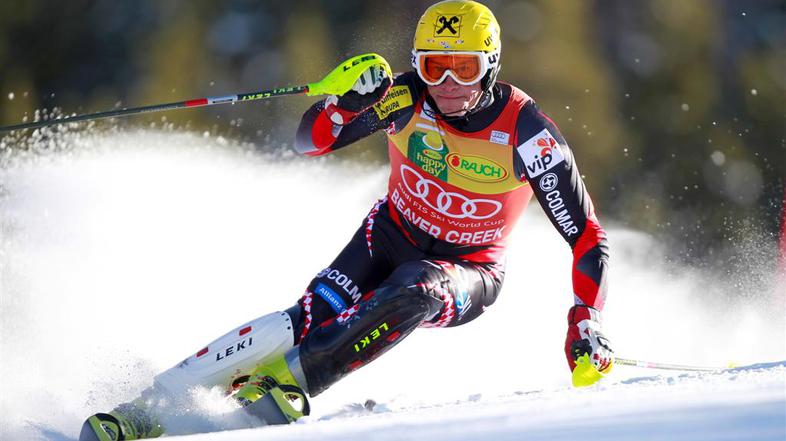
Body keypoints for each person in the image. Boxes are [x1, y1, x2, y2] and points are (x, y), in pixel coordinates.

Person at [80, 1, 613, 439]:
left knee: (417, 289)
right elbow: (309, 141)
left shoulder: (528, 133)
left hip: (468, 268)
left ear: (492, 64)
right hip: (388, 236)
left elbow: (586, 233)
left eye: (465, 67)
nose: (448, 83)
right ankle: (149, 405)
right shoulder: (404, 97)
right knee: (305, 317)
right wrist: (343, 104)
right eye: (434, 66)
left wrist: (584, 319)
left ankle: (293, 380)